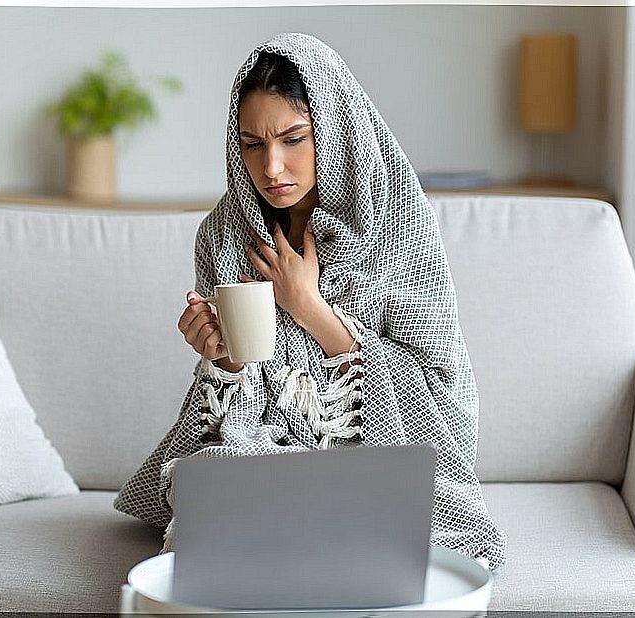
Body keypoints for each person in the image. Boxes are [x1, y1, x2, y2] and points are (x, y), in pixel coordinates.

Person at [114, 32, 507, 570]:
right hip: (263, 450)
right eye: (252, 144)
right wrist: (221, 357)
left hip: (377, 448)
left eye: (294, 139)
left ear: (335, 128)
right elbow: (234, 400)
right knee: (209, 523)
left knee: (432, 536)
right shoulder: (225, 234)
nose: (271, 167)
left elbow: (438, 394)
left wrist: (309, 307)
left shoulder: (398, 220)